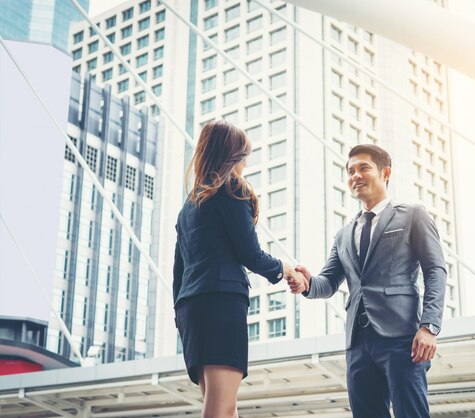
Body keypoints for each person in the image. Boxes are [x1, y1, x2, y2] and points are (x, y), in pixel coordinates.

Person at [290, 144, 446, 418]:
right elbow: (329, 281)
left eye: (363, 168)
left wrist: (429, 327)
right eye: (350, 171)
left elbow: (435, 270)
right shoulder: (344, 234)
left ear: (385, 172)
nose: (355, 176)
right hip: (357, 342)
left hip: (402, 338)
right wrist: (307, 283)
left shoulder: (412, 215)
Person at [173, 120, 308, 418]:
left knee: (225, 405)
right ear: (233, 155)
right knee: (220, 410)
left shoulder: (189, 206)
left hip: (190, 310)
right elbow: (250, 254)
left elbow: (178, 271)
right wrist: (285, 267)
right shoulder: (232, 189)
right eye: (245, 155)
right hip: (221, 303)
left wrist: (179, 315)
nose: (246, 162)